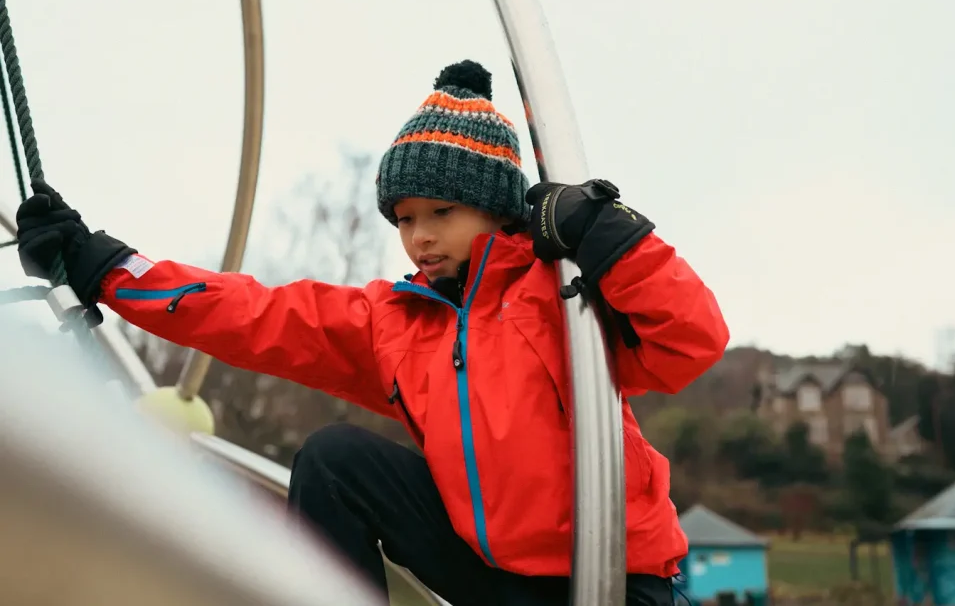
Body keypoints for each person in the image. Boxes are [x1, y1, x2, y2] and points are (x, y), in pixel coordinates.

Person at [15, 59, 729, 606]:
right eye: (404, 218)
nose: (418, 237)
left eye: (440, 212)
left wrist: (609, 234)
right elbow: (252, 313)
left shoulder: (559, 292)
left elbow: (691, 340)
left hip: (612, 581)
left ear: (494, 208)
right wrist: (104, 264)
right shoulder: (397, 321)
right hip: (496, 576)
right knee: (334, 459)